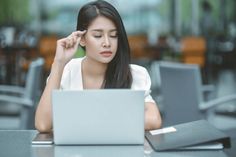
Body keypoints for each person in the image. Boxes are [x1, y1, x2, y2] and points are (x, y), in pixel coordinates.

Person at [35, 0, 162, 133]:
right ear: (82, 39)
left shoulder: (135, 74)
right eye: (98, 35)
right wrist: (58, 63)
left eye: (113, 35)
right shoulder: (66, 71)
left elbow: (154, 119)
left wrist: (86, 123)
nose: (107, 43)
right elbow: (43, 124)